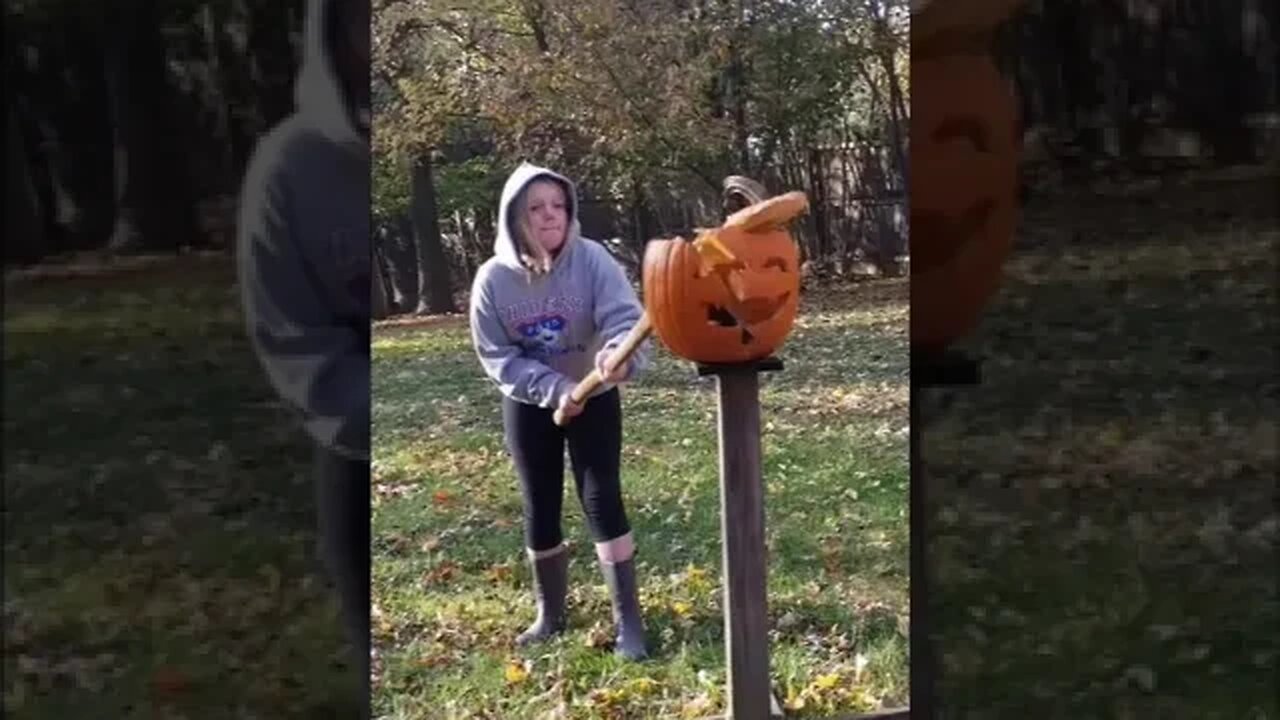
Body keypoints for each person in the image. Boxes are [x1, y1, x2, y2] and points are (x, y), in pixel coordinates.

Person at [235, 0, 372, 712]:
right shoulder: (290, 169)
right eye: (363, 21)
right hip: (359, 450)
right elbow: (295, 338)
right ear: (335, 34)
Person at [469, 162, 651, 661]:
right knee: (540, 504)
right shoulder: (492, 281)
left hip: (595, 397)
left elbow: (625, 320)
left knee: (602, 499)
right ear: (514, 218)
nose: (551, 216)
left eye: (558, 206)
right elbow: (498, 356)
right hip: (530, 404)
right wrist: (553, 389)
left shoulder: (593, 260)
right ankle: (550, 614)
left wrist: (617, 356)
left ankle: (628, 621)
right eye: (536, 208)